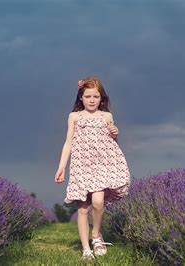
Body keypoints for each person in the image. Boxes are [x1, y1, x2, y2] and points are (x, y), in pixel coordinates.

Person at [54, 75, 131, 260]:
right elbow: (68, 143)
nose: (91, 100)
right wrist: (61, 167)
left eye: (96, 97)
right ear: (81, 97)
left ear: (101, 98)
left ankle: (96, 235)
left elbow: (112, 140)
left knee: (97, 202)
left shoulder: (106, 116)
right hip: (82, 165)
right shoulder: (74, 116)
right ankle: (86, 249)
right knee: (82, 208)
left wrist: (115, 132)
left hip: (103, 164)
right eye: (88, 96)